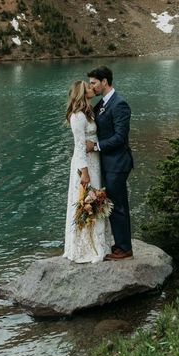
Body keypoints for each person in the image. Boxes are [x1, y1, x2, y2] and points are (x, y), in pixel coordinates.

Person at [86, 66, 134, 260]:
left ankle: (125, 249)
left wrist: (96, 146)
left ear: (104, 82)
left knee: (119, 205)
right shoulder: (103, 104)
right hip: (108, 163)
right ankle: (120, 244)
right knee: (112, 204)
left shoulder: (120, 104)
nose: (92, 87)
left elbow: (120, 138)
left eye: (94, 83)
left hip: (118, 163)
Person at [63, 80, 112, 263]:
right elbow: (79, 146)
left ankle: (100, 244)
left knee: (96, 200)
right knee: (86, 201)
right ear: (82, 93)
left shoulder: (88, 113)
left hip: (95, 161)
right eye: (88, 87)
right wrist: (84, 172)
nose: (92, 89)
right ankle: (88, 248)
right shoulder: (78, 116)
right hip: (85, 164)